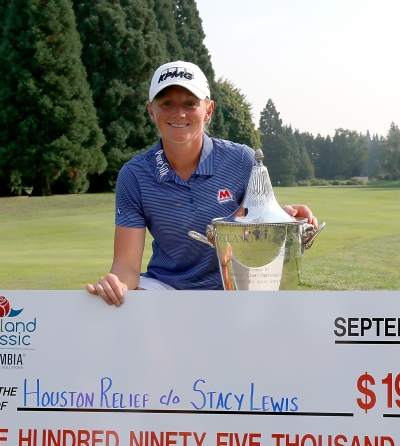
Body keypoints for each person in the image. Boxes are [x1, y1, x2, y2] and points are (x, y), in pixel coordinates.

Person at [86, 61, 317, 305]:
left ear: (208, 110)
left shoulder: (240, 159)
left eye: (190, 103)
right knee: (131, 302)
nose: (179, 113)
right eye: (166, 103)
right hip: (166, 284)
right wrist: (117, 284)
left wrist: (280, 216)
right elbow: (126, 264)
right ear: (151, 111)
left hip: (232, 284)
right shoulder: (134, 175)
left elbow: (255, 219)